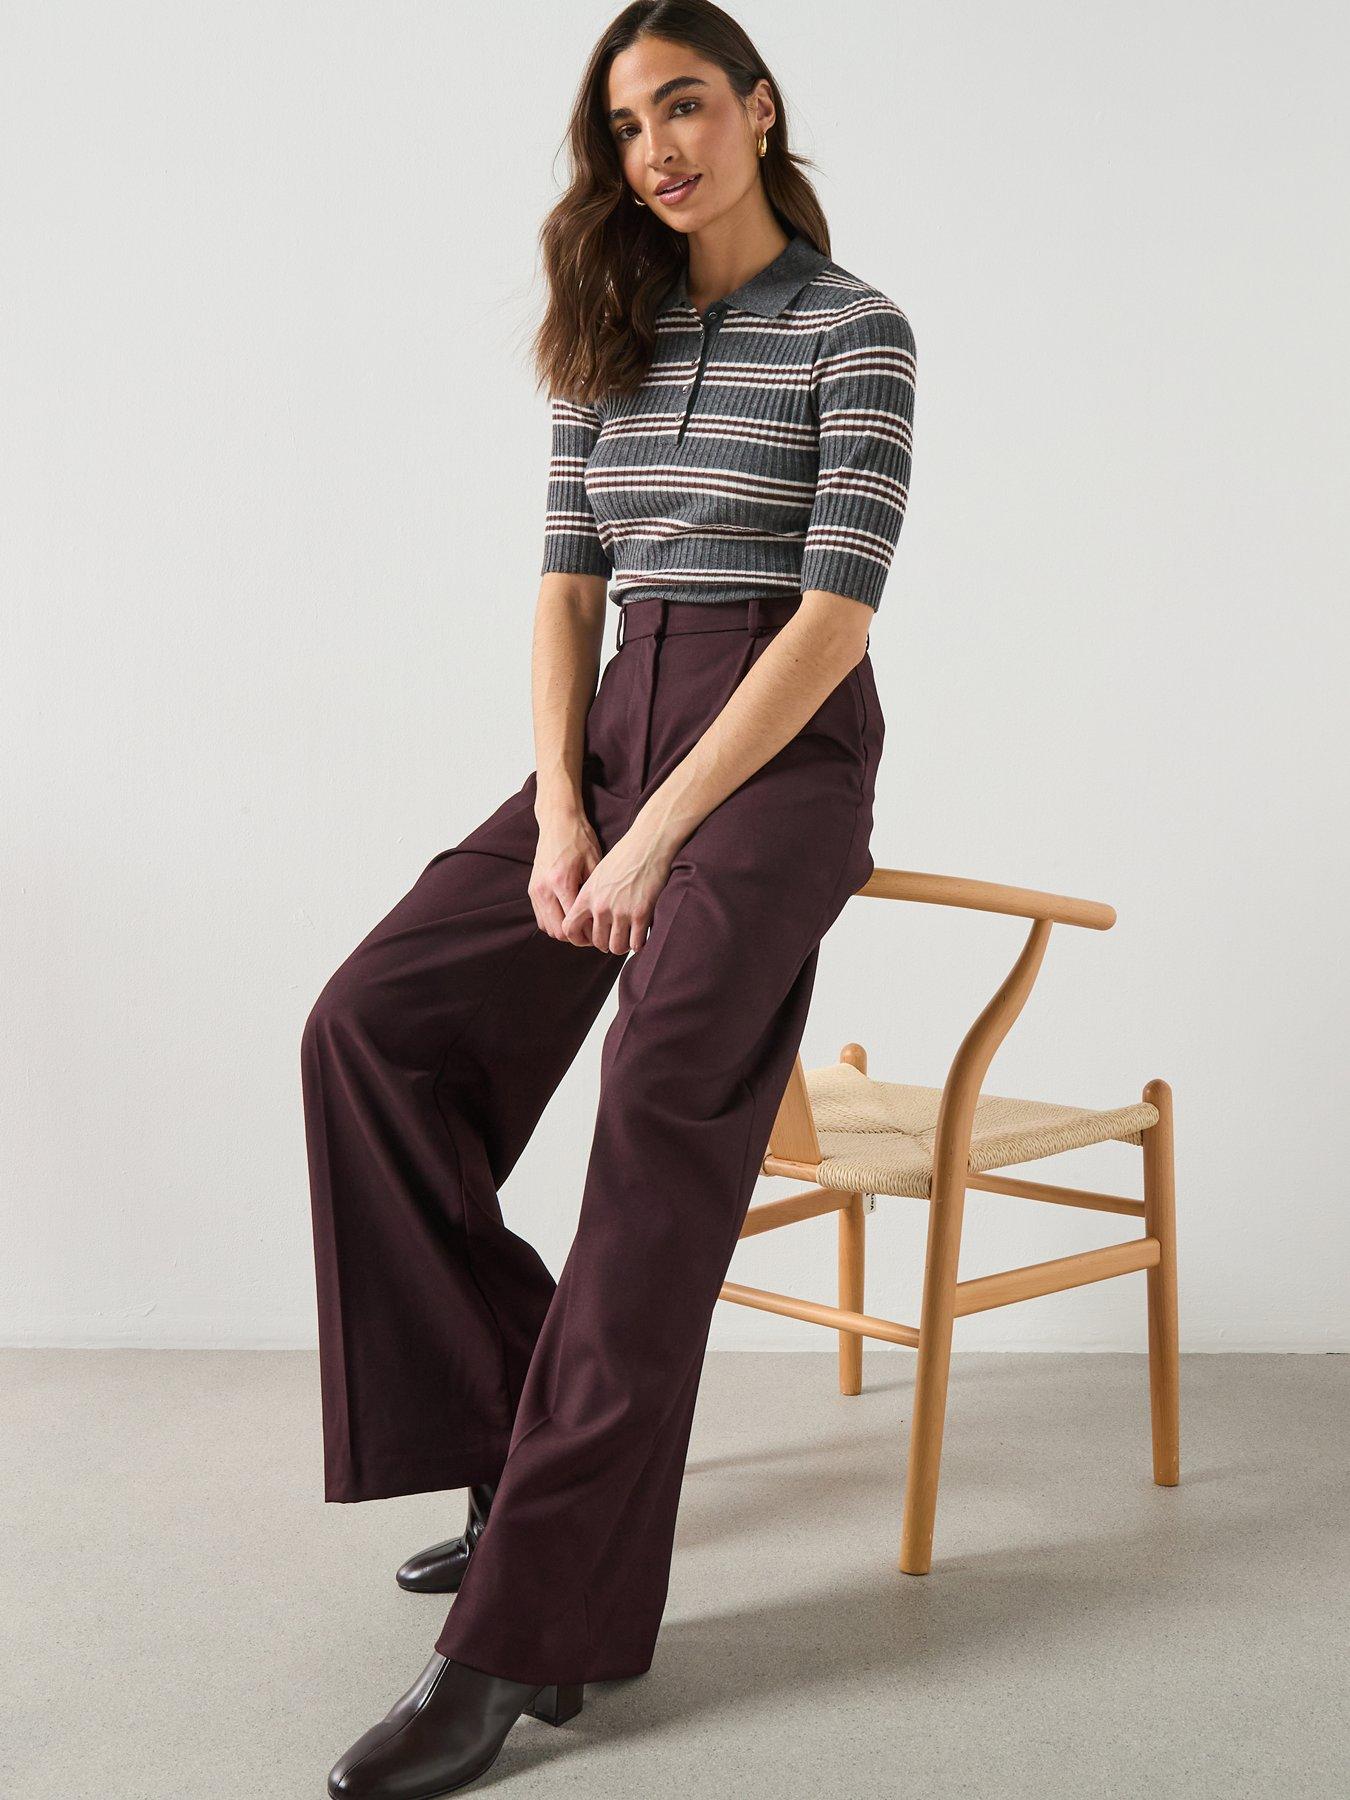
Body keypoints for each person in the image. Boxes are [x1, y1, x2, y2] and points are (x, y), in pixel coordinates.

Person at [301, 2, 917, 1793]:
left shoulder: (854, 329)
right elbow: (569, 588)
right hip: (617, 723)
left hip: (780, 751)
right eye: (626, 124)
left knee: (651, 1131)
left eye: (685, 105)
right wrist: (568, 810)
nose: (656, 148)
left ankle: (523, 1635)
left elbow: (831, 619)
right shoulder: (608, 332)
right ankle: (520, 1458)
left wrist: (657, 841)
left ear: (757, 109)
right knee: (370, 1029)